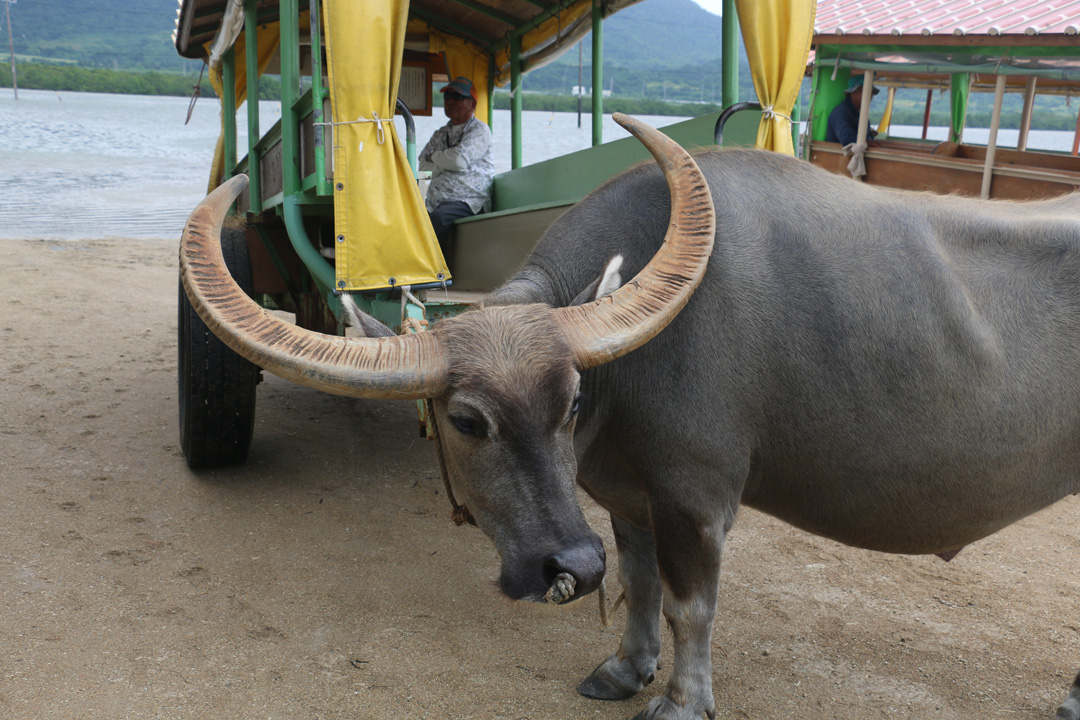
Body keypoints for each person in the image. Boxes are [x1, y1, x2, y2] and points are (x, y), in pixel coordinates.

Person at [418, 76, 496, 257]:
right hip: (436, 200)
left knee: (439, 218)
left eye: (458, 97)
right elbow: (423, 168)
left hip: (468, 199)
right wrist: (445, 162)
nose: (450, 101)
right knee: (413, 217)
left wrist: (434, 157)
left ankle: (431, 271)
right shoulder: (440, 133)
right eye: (447, 97)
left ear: (472, 104)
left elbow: (459, 162)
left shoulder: (479, 130)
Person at [826, 74, 880, 146]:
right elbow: (848, 140)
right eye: (866, 91)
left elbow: (868, 137)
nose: (871, 95)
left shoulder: (861, 114)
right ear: (853, 93)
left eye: (872, 92)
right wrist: (872, 144)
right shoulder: (840, 112)